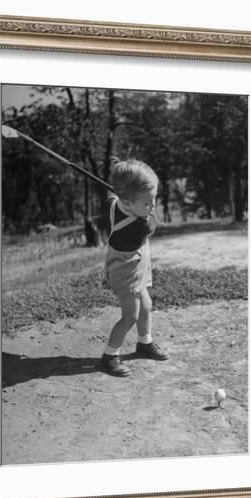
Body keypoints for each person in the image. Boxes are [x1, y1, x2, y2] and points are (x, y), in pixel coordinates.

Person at [101, 159, 169, 377]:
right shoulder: (140, 225)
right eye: (147, 204)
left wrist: (121, 183)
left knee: (146, 307)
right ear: (127, 203)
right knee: (130, 316)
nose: (152, 208)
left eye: (154, 201)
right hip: (126, 272)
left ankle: (144, 343)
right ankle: (110, 355)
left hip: (134, 267)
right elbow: (153, 225)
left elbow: (110, 196)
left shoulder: (115, 203)